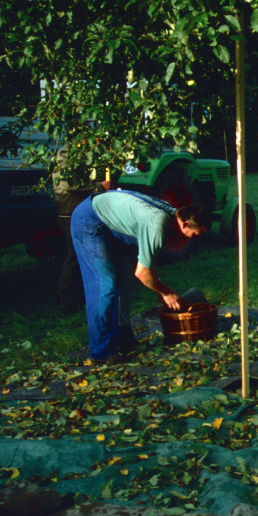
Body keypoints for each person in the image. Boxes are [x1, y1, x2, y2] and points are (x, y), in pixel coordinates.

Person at [70, 189, 208, 364]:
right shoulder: (157, 223)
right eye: (197, 233)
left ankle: (122, 336)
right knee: (105, 286)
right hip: (90, 221)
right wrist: (166, 292)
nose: (195, 238)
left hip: (113, 226)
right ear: (186, 224)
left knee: (126, 284)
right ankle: (102, 352)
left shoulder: (172, 217)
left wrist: (158, 287)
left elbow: (147, 261)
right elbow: (142, 273)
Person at [52, 151, 113, 313]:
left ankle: (77, 298)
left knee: (81, 256)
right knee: (75, 256)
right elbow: (68, 184)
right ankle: (65, 300)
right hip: (70, 213)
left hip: (76, 211)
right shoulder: (66, 154)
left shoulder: (77, 153)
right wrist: (99, 186)